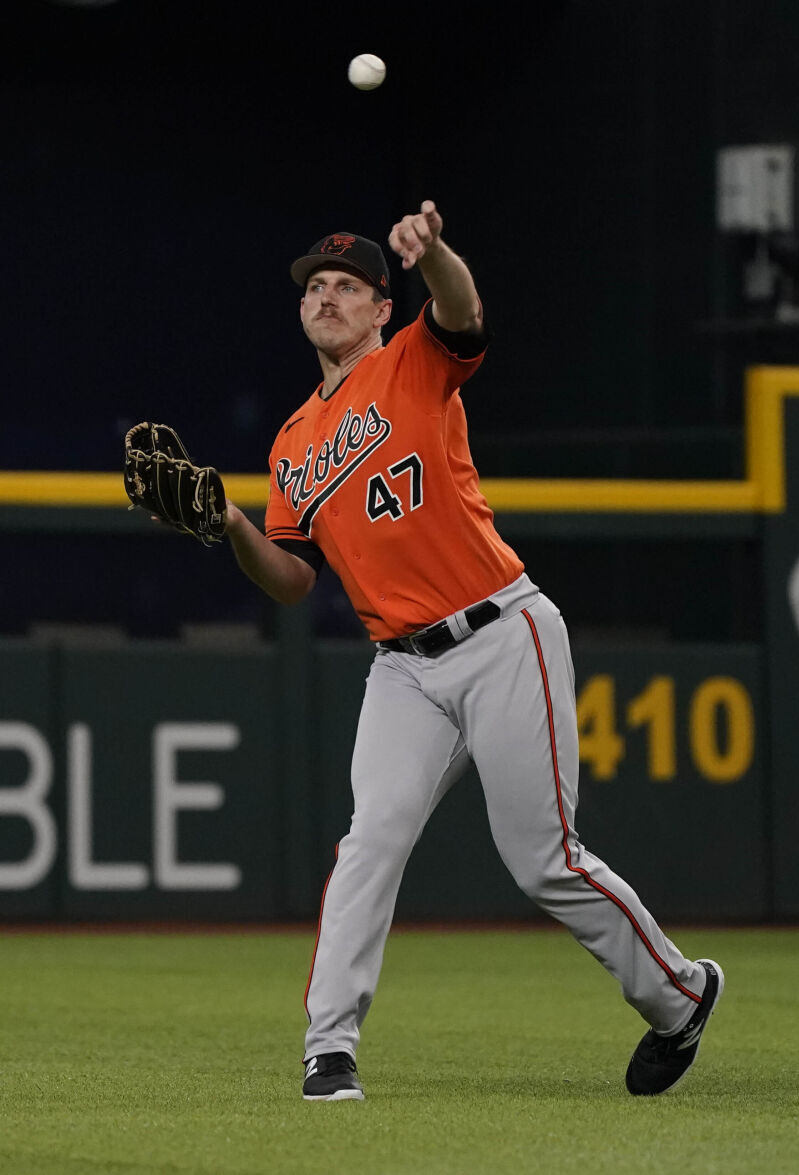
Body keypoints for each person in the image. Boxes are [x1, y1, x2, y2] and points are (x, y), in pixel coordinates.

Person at [217, 201, 721, 1101]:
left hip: (499, 631)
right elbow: (291, 579)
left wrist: (437, 253)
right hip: (401, 665)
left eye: (348, 286)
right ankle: (327, 1048)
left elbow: (463, 313)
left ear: (381, 307)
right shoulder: (291, 442)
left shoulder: (413, 359)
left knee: (542, 859)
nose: (326, 297)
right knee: (370, 838)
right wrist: (226, 526)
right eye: (315, 287)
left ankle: (681, 993)